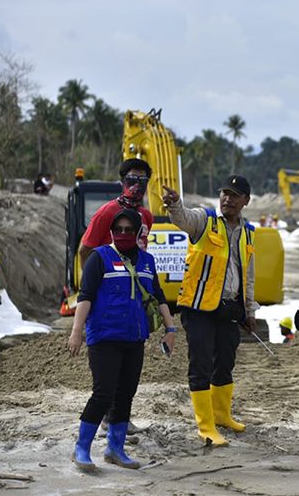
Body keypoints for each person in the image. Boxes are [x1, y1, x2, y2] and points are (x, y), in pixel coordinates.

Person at [67, 209, 176, 472]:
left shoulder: (148, 262)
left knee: (125, 394)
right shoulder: (99, 258)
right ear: (112, 232)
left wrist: (171, 329)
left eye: (130, 230)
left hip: (134, 339)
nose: (124, 234)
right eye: (119, 230)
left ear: (138, 233)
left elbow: (159, 297)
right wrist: (76, 331)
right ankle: (81, 449)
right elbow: (86, 297)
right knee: (103, 394)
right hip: (104, 339)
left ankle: (115, 450)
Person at [162, 175, 256, 447]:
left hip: (228, 310)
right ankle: (206, 427)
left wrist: (249, 311)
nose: (228, 198)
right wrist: (175, 204)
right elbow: (183, 219)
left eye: (234, 195)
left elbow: (248, 276)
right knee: (201, 364)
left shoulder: (247, 233)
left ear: (245, 201)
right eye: (225, 193)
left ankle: (222, 416)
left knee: (225, 363)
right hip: (199, 307)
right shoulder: (205, 221)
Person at [78, 158, 154, 268]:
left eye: (142, 180)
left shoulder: (147, 216)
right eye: (132, 179)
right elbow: (84, 251)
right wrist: (88, 282)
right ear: (123, 182)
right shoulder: (107, 212)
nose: (137, 185)